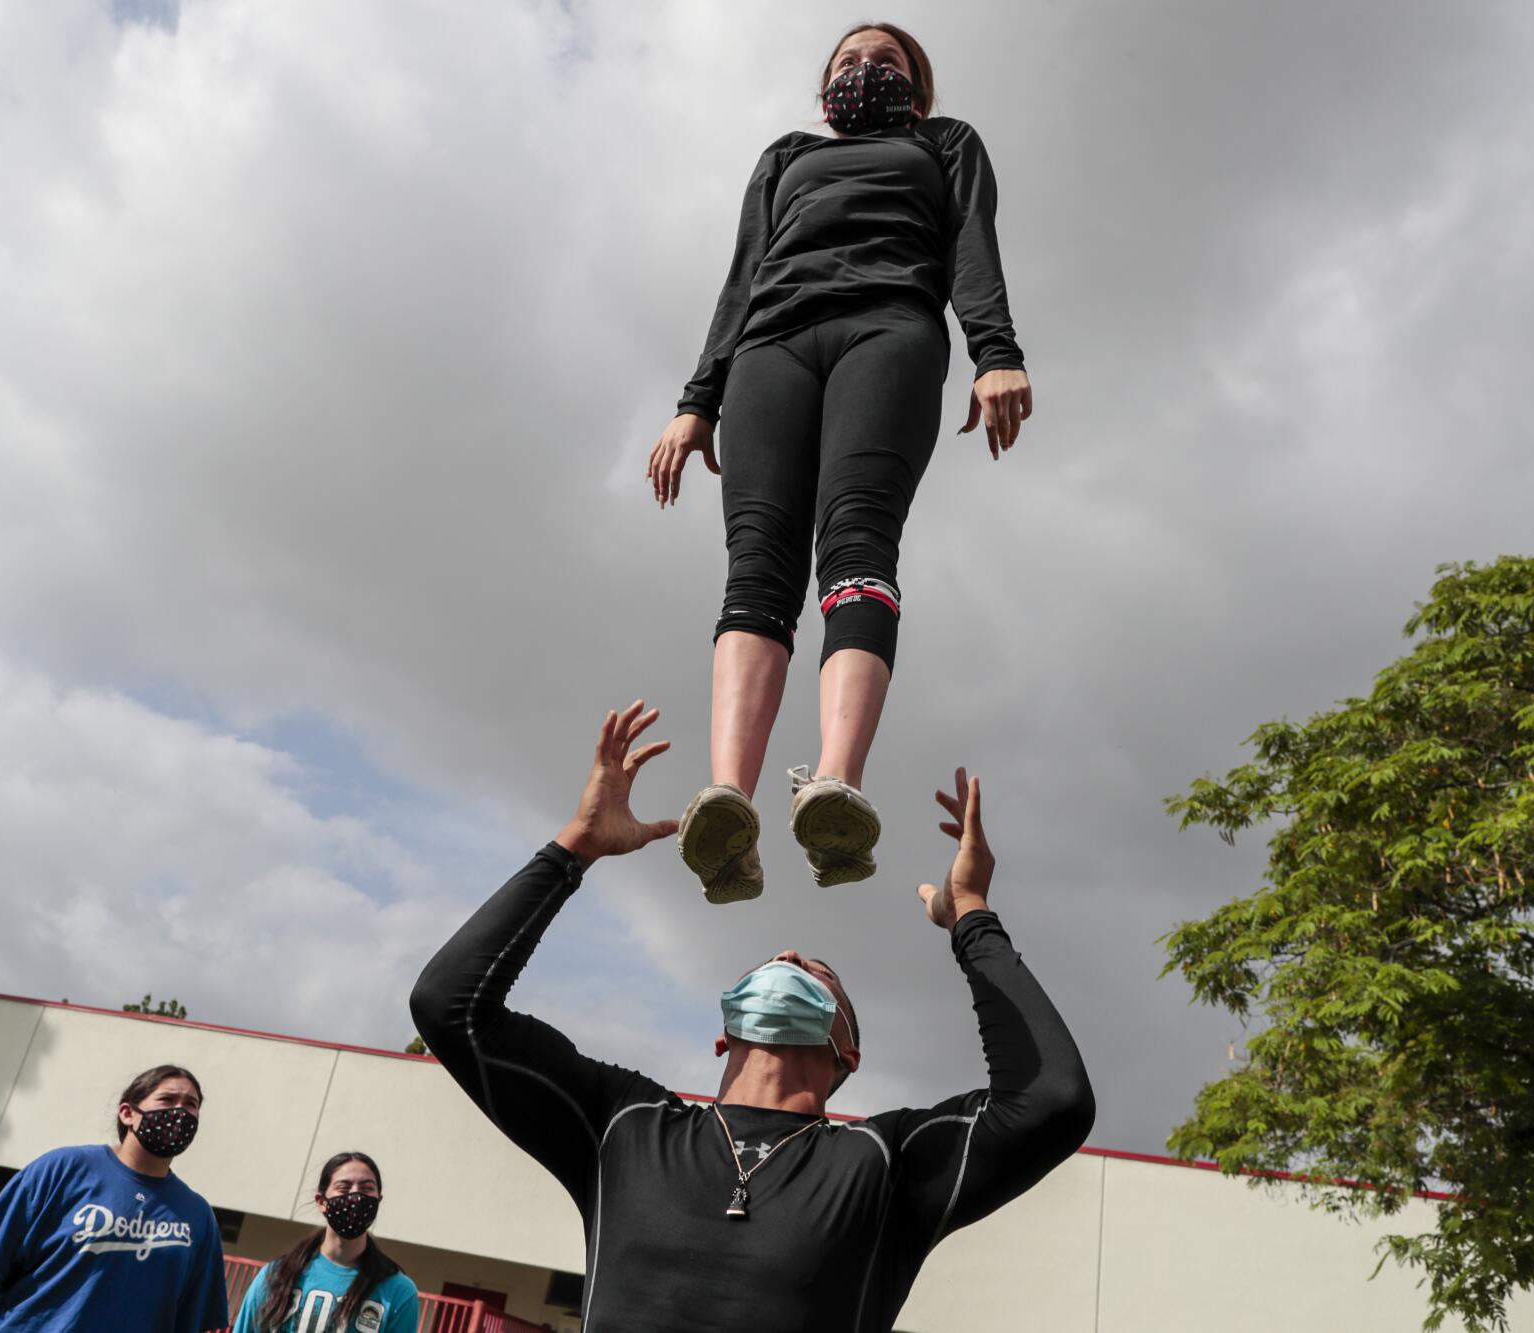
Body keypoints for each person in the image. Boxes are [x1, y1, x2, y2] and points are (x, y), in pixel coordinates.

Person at [411, 702, 1092, 1333]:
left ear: (847, 1053)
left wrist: (970, 912)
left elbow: (1051, 1098)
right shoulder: (622, 1124)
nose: (790, 951)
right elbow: (449, 1005)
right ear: (723, 1032)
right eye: (780, 959)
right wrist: (575, 847)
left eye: (820, 971)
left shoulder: (885, 1165)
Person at [645, 22, 1035, 900]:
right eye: (848, 62)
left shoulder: (944, 143)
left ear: (917, 89)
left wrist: (995, 352)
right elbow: (741, 277)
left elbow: (973, 244)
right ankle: (730, 810)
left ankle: (834, 784)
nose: (865, 70)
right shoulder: (786, 156)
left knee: (855, 538)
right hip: (769, 348)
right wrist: (693, 403)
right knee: (758, 561)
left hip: (888, 330)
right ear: (826, 91)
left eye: (886, 62)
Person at [0, 1064, 231, 1333]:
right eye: (167, 1100)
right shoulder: (63, 1170)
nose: (180, 1112)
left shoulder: (198, 1216)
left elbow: (195, 1324)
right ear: (127, 1113)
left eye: (191, 1105)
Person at [231, 1151, 420, 1333]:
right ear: (321, 1201)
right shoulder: (276, 1275)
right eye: (343, 1188)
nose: (355, 1196)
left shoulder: (398, 1291)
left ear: (378, 1200)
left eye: (367, 1188)